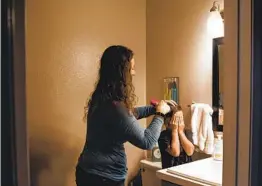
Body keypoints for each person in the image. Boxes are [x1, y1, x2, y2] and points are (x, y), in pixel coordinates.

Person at [75, 45, 176, 186]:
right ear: (122, 71)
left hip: (88, 172)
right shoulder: (116, 108)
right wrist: (159, 114)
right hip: (104, 179)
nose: (134, 73)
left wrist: (154, 109)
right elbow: (147, 141)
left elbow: (129, 114)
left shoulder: (103, 98)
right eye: (132, 68)